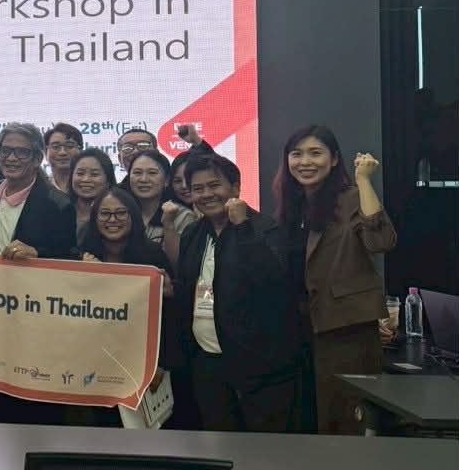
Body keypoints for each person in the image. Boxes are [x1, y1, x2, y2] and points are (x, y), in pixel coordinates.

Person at [272, 126, 397, 435]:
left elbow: (380, 241)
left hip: (345, 325)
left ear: (334, 159)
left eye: (315, 153)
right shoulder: (292, 204)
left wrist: (364, 181)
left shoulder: (351, 197)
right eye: (297, 154)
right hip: (300, 328)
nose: (305, 162)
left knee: (345, 418)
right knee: (309, 416)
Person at [175, 153, 300, 433]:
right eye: (197, 189)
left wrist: (242, 227)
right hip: (208, 361)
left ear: (235, 187)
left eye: (214, 185)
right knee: (217, 442)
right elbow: (188, 286)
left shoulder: (266, 229)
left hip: (259, 368)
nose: (207, 194)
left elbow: (274, 284)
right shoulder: (193, 234)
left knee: (262, 450)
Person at [0, 123, 78, 428]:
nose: (11, 158)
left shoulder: (57, 203)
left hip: (32, 318)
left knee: (33, 404)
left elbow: (69, 260)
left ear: (38, 158)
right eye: (6, 151)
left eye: (21, 152)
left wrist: (38, 253)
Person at [79, 187, 176, 427]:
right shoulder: (81, 257)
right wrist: (83, 277)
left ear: (132, 216)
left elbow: (168, 318)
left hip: (143, 366)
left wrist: (159, 364)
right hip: (96, 366)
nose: (113, 220)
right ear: (95, 219)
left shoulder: (152, 256)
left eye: (121, 213)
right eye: (105, 214)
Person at [126, 150, 195, 261]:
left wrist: (168, 225)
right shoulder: (123, 211)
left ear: (167, 180)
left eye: (152, 173)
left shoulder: (182, 215)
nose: (144, 179)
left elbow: (181, 263)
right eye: (137, 173)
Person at [69, 149, 117, 238]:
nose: (86, 179)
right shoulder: (61, 210)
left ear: (108, 180)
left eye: (94, 174)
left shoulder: (117, 215)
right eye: (80, 173)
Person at [44, 122, 83, 195]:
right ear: (46, 152)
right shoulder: (39, 187)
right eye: (56, 147)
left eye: (69, 146)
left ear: (80, 151)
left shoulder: (90, 186)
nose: (62, 152)